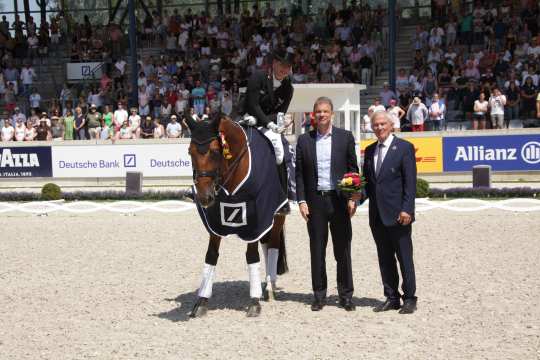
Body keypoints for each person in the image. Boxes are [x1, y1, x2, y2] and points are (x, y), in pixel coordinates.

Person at [295, 96, 358, 312]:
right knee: (317, 250)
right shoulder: (304, 140)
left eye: (325, 111)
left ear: (332, 114)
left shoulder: (345, 137)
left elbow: (353, 170)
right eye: (318, 111)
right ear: (314, 115)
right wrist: (301, 200)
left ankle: (346, 295)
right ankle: (319, 295)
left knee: (343, 251)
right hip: (315, 203)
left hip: (339, 202)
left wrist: (352, 197)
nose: (321, 115)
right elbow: (299, 175)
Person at [361, 111, 417, 314]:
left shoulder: (404, 148)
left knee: (404, 257)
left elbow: (410, 183)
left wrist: (407, 209)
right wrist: (355, 197)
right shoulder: (369, 151)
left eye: (383, 124)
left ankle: (410, 297)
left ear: (391, 124)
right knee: (384, 258)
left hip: (399, 215)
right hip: (377, 216)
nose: (379, 128)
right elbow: (368, 184)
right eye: (376, 125)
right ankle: (391, 297)